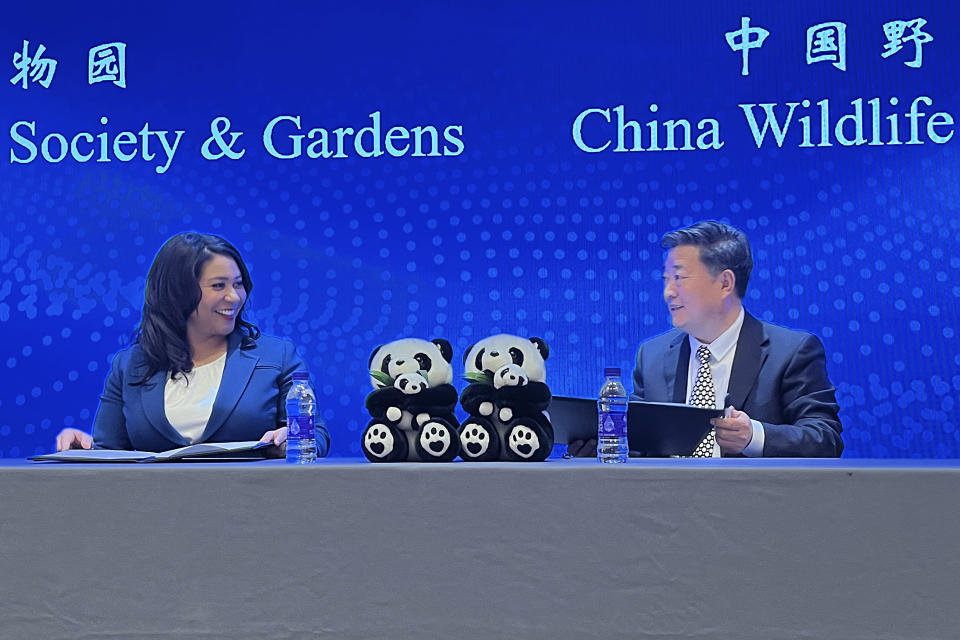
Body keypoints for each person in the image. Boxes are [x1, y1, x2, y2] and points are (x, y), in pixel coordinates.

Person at [570, 220, 842, 457]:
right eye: (666, 279)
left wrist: (753, 436)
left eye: (680, 278)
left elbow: (825, 438)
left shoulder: (791, 351)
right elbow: (641, 443)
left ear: (725, 283)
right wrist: (600, 445)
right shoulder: (652, 355)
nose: (668, 292)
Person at [56, 232, 330, 457]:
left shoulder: (278, 356)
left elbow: (316, 438)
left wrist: (290, 440)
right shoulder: (129, 366)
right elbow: (110, 453)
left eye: (238, 284)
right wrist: (85, 448)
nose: (234, 297)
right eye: (218, 286)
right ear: (178, 293)